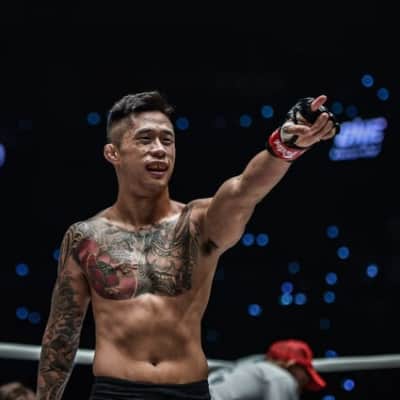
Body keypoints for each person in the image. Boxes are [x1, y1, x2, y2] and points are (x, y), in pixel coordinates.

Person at [35, 91, 338, 399]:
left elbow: (245, 189)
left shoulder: (199, 224)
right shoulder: (85, 237)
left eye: (167, 140)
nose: (159, 150)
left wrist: (285, 145)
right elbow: (61, 334)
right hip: (115, 392)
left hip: (189, 391)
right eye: (145, 139)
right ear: (113, 153)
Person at [209, 339, 326, 400]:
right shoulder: (280, 377)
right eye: (306, 373)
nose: (302, 389)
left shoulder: (248, 367)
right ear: (291, 364)